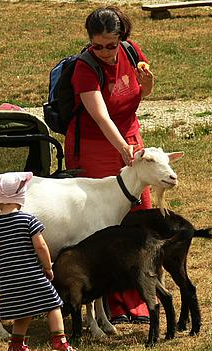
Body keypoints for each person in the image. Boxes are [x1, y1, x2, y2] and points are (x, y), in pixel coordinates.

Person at [63, 6, 154, 324]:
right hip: (94, 147)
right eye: (97, 45)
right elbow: (100, 116)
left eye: (110, 45)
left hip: (129, 137)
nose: (103, 52)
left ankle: (140, 299)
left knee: (139, 217)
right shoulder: (84, 67)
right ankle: (109, 306)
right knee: (104, 227)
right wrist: (124, 151)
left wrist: (148, 85)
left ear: (122, 39)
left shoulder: (132, 52)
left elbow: (138, 93)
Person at [0, 172, 76, 351]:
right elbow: (41, 246)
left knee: (22, 310)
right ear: (20, 198)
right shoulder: (28, 220)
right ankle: (59, 341)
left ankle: (16, 346)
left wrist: (3, 264)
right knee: (53, 305)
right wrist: (48, 266)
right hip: (32, 275)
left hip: (9, 279)